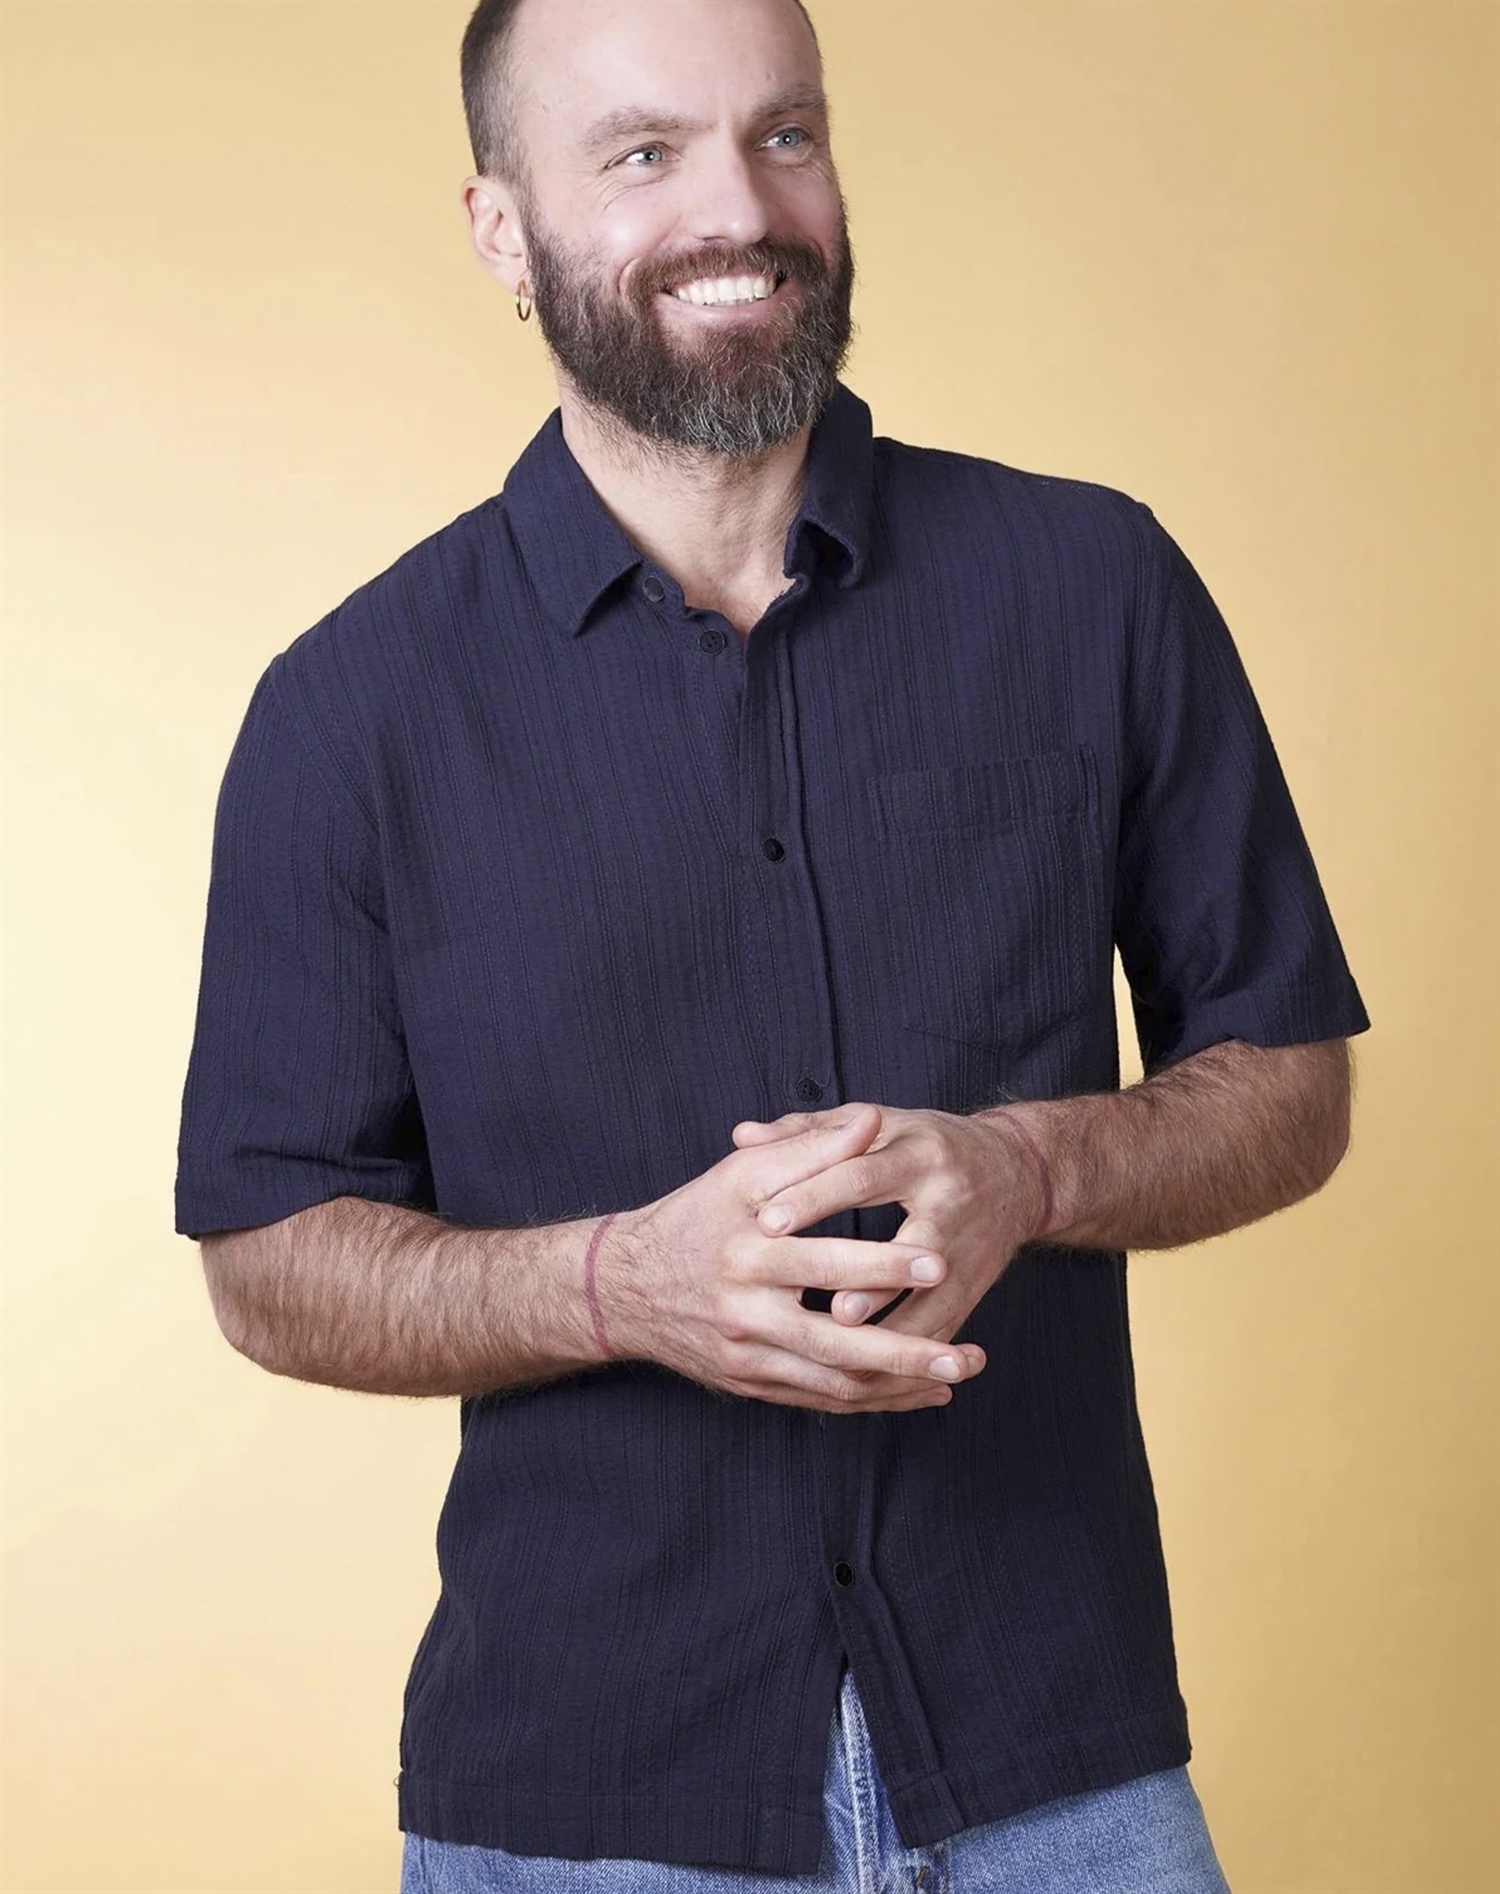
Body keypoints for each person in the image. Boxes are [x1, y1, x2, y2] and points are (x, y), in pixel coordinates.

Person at [172, 0, 1371, 1886]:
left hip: (1063, 1763)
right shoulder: (347, 714)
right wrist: (619, 1287)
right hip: (585, 1798)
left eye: (783, 134)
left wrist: (1029, 1165)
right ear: (501, 228)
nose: (738, 209)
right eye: (643, 153)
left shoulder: (1095, 587)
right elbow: (268, 1257)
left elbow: (1289, 1076)